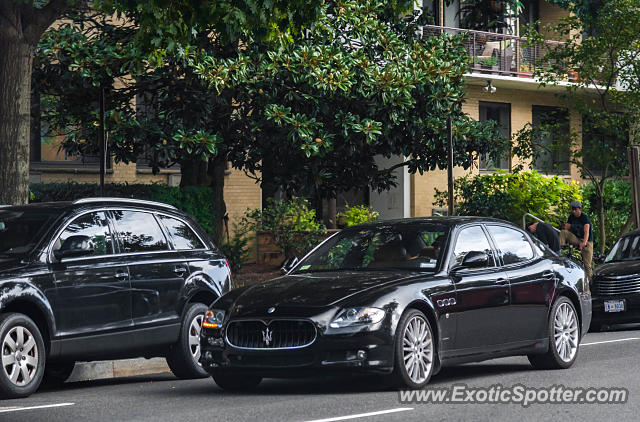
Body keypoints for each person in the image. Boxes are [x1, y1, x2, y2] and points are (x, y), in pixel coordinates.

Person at [559, 200, 594, 278]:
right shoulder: (571, 216)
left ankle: (590, 283)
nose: (573, 211)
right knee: (563, 232)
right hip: (577, 239)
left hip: (586, 241)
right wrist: (564, 226)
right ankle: (561, 249)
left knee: (587, 265)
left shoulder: (585, 218)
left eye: (575, 209)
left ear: (580, 209)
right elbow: (567, 228)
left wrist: (584, 243)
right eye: (572, 209)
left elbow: (586, 232)